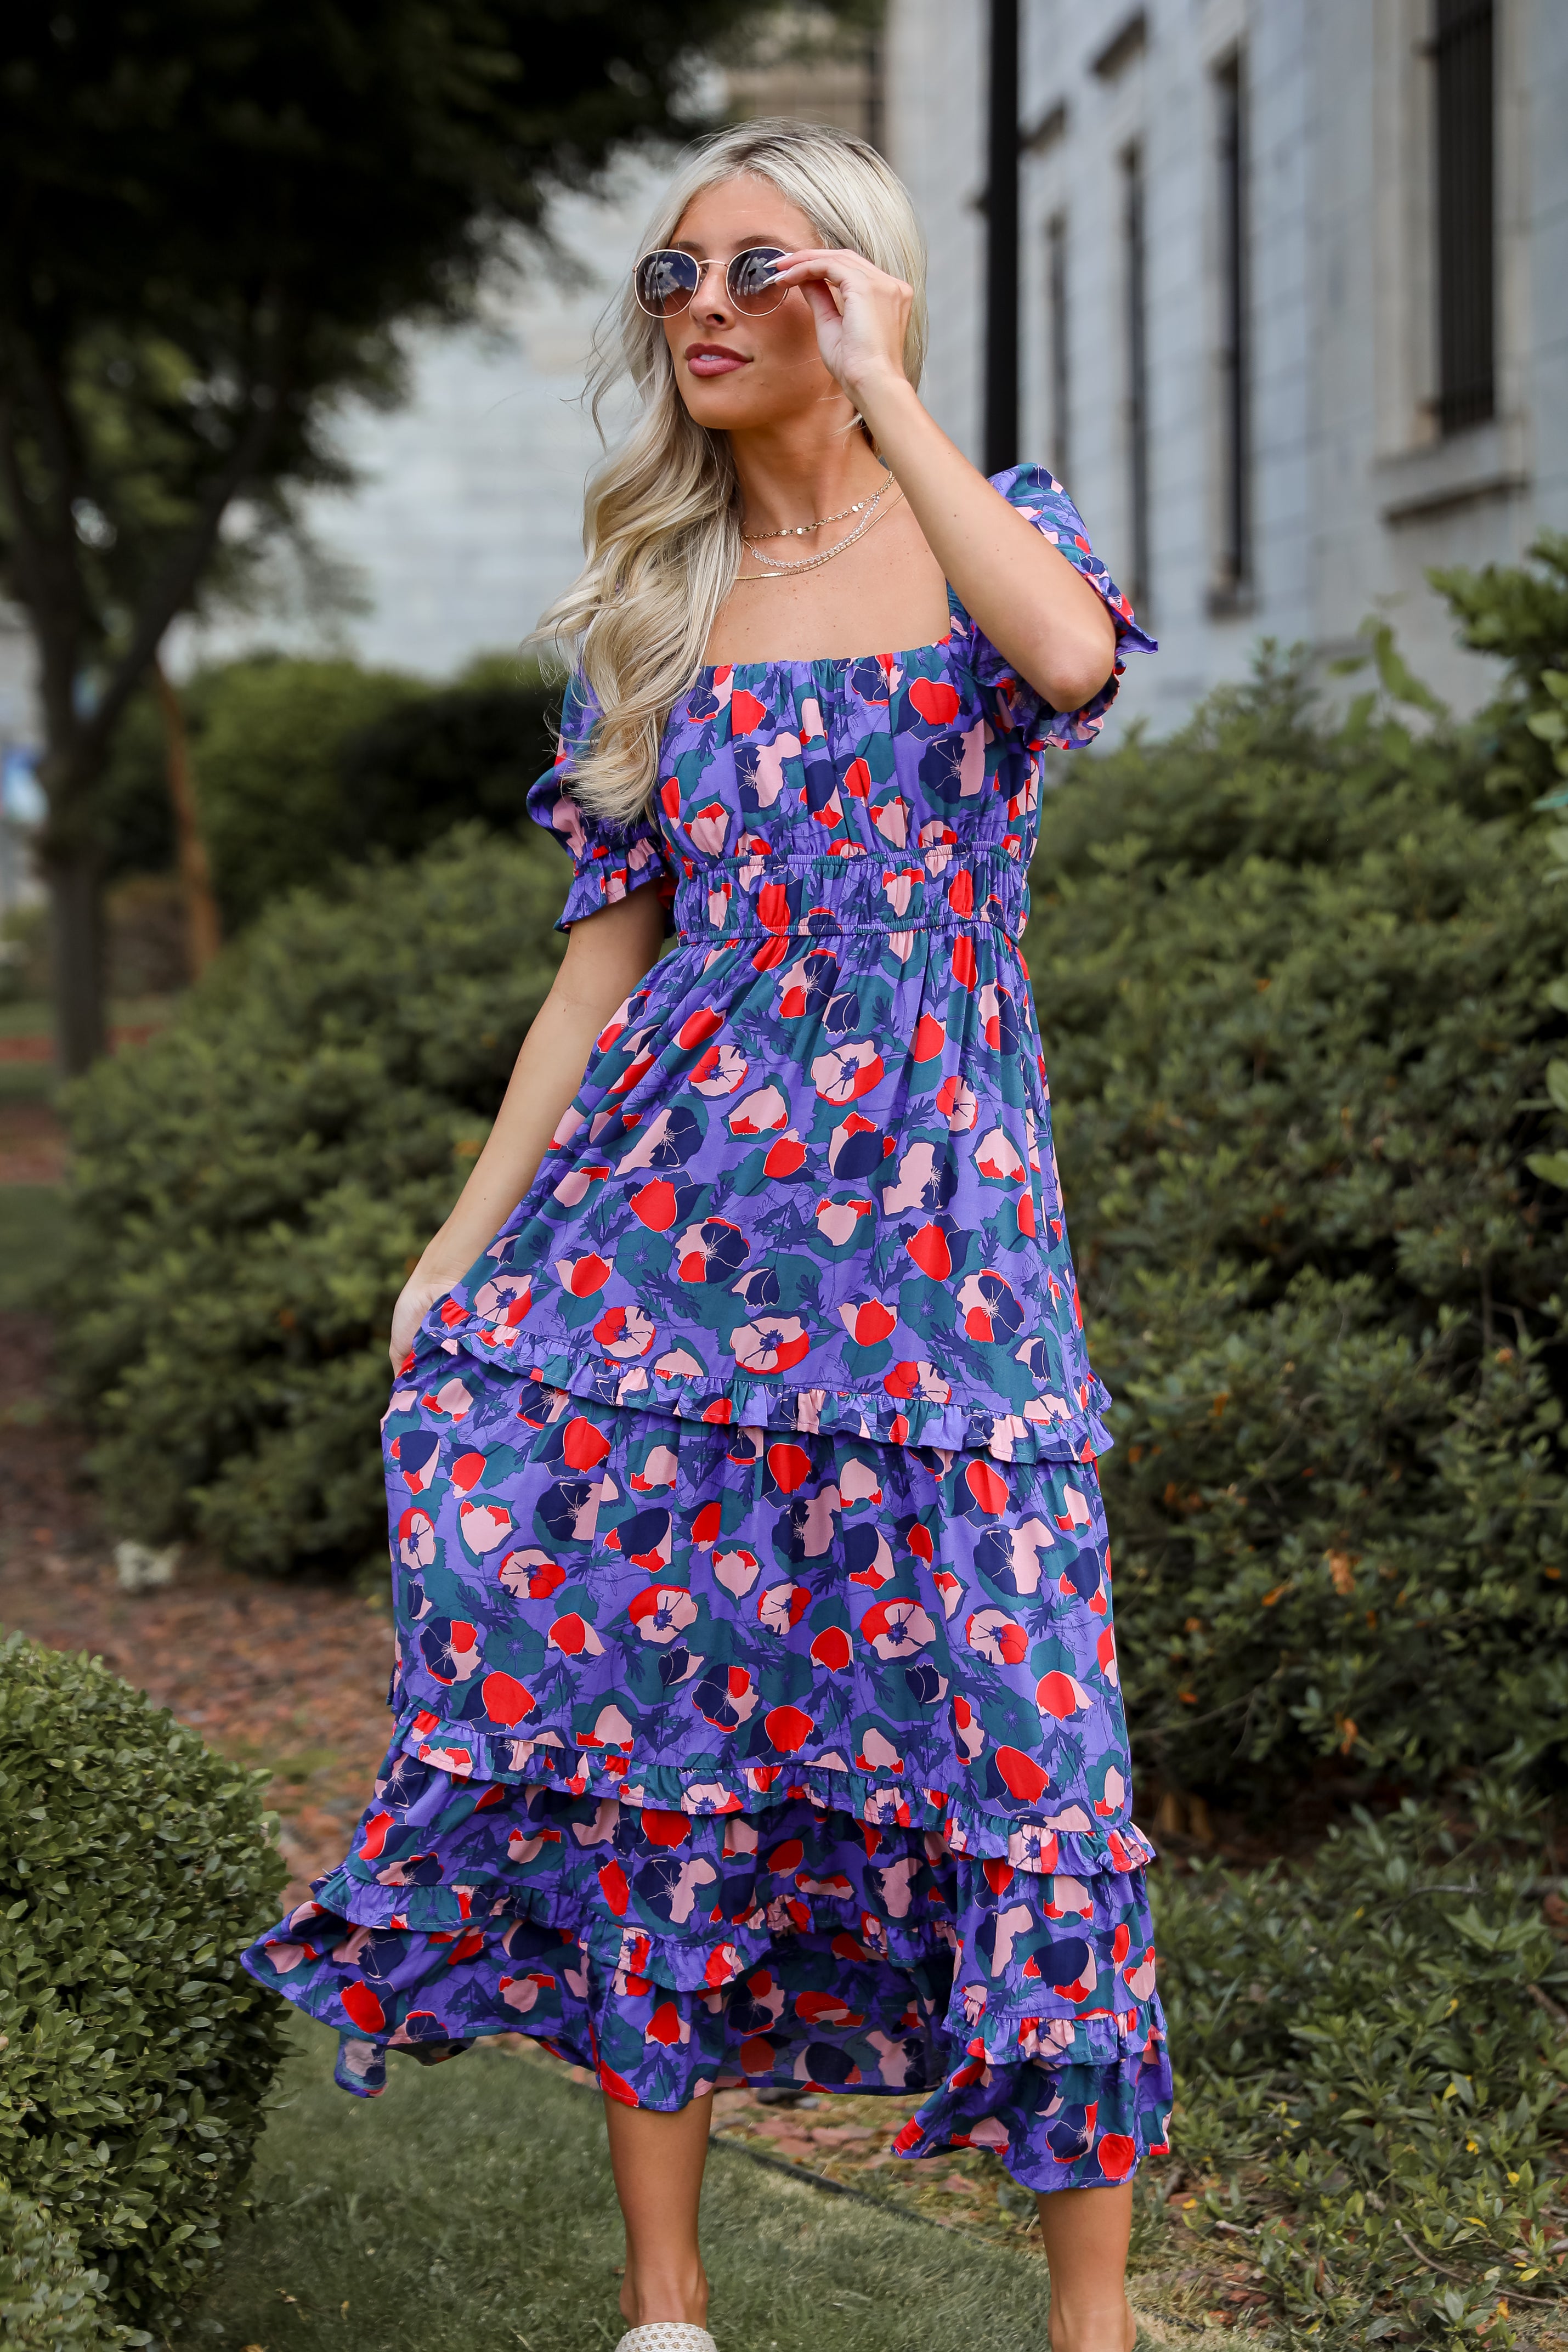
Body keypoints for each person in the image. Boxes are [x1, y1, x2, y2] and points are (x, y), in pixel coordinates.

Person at [244, 116, 1169, 2352]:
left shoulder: (990, 535)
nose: (712, 307)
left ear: (861, 288)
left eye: (767, 267)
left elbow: (1068, 664)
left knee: (1026, 1747)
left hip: (944, 1263)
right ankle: (665, 2308)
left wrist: (896, 391)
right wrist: (462, 1247)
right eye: (676, 278)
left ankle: (1091, 2325)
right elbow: (603, 969)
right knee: (663, 1731)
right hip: (664, 1248)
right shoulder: (655, 611)